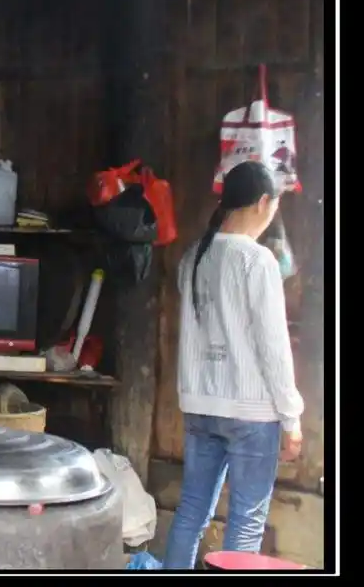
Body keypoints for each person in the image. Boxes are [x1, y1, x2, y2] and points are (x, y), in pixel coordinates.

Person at [162, 160, 305, 569]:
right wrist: (291, 418)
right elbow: (273, 348)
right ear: (263, 202)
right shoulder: (256, 261)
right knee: (246, 522)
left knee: (190, 513)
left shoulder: (194, 256)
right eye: (274, 205)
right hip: (251, 412)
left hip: (201, 405)